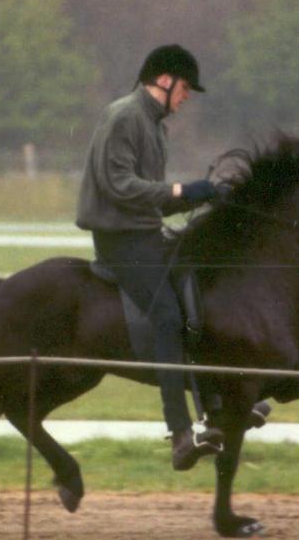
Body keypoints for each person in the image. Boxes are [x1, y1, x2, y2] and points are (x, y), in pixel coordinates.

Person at [76, 44, 228, 470]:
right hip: (120, 242)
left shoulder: (156, 126)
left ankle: (216, 404)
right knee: (166, 316)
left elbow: (153, 200)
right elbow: (119, 185)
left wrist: (204, 194)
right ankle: (180, 434)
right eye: (185, 88)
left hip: (144, 234)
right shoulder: (124, 116)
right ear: (164, 80)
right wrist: (181, 190)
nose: (187, 97)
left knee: (199, 294)